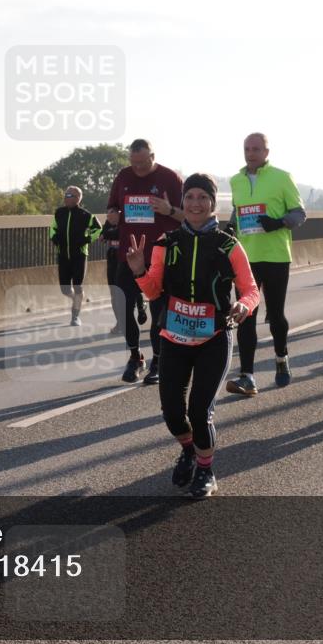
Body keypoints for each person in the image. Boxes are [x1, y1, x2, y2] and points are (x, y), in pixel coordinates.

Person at [127, 174, 259, 498]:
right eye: (190, 197)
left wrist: (243, 306)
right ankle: (189, 450)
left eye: (203, 197)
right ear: (182, 202)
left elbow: (250, 289)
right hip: (173, 337)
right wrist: (138, 271)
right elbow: (154, 289)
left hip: (213, 336)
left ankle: (205, 469)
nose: (196, 203)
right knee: (173, 413)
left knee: (200, 411)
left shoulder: (228, 244)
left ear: (213, 202)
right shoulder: (166, 242)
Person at [225, 132, 306, 396]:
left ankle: (281, 357)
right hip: (246, 258)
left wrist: (279, 222)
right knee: (245, 316)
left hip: (275, 256)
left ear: (266, 152)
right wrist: (229, 227)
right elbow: (237, 213)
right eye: (247, 148)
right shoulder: (235, 180)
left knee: (275, 316)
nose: (251, 153)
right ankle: (247, 376)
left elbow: (299, 213)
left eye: (256, 149)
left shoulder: (282, 177)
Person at [106, 139, 184, 384]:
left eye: (142, 162)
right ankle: (135, 356)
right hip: (129, 256)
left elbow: (191, 217)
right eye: (133, 162)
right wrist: (112, 216)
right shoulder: (123, 176)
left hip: (159, 255)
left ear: (153, 156)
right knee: (123, 307)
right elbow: (112, 209)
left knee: (158, 310)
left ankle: (158, 361)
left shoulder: (170, 179)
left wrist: (168, 209)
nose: (137, 168)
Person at [49, 186, 103, 326]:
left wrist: (86, 239)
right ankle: (76, 300)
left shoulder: (86, 215)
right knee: (65, 289)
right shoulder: (59, 213)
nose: (66, 197)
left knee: (77, 285)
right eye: (65, 194)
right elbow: (52, 228)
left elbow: (98, 229)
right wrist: (54, 238)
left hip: (79, 255)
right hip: (63, 256)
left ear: (78, 198)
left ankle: (75, 316)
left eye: (69, 195)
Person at [102, 219, 146, 335]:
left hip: (128, 259)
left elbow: (121, 233)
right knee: (114, 292)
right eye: (109, 210)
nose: (110, 213)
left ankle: (141, 307)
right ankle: (120, 323)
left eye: (114, 210)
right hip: (112, 258)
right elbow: (103, 235)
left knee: (132, 289)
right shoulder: (108, 221)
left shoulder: (131, 218)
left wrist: (113, 231)